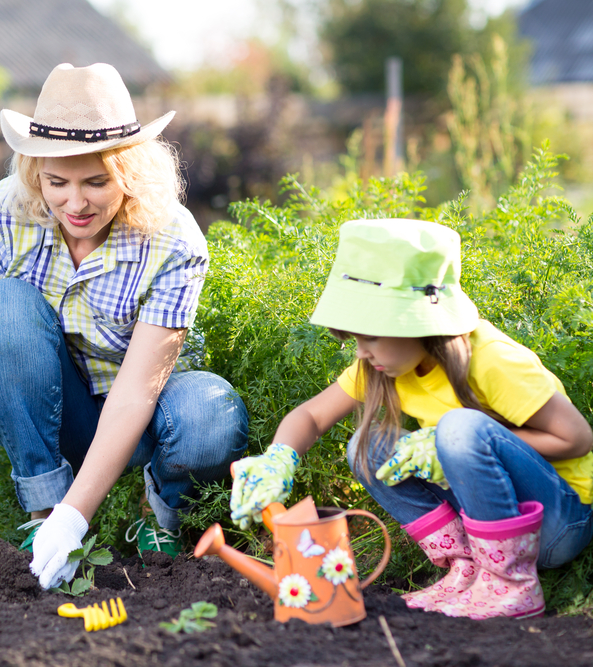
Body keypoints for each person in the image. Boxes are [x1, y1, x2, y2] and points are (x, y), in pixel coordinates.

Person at [0, 63, 249, 590]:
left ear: (130, 173)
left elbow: (135, 396)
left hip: (145, 415)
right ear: (35, 172)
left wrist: (80, 517)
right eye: (57, 182)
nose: (75, 203)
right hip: (59, 409)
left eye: (97, 182)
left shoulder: (172, 239)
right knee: (6, 303)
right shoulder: (0, 216)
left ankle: (158, 514)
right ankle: (42, 510)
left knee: (212, 417)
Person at [229, 218, 593, 620]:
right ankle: (467, 567)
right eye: (356, 338)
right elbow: (312, 416)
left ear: (418, 322)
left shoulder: (490, 360)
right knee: (367, 446)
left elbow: (577, 438)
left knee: (458, 427)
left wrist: (452, 442)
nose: (362, 352)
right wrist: (278, 458)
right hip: (489, 525)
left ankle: (511, 585)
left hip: (559, 521)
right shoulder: (385, 366)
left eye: (371, 336)